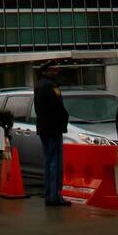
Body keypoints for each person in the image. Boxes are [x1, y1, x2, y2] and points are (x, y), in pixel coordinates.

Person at [34, 61, 70, 206]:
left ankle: (49, 194)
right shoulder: (51, 86)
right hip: (54, 128)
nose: (56, 72)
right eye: (54, 70)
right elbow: (58, 108)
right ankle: (55, 195)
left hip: (43, 128)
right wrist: (64, 120)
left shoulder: (38, 85)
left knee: (48, 161)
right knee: (56, 162)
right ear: (46, 71)